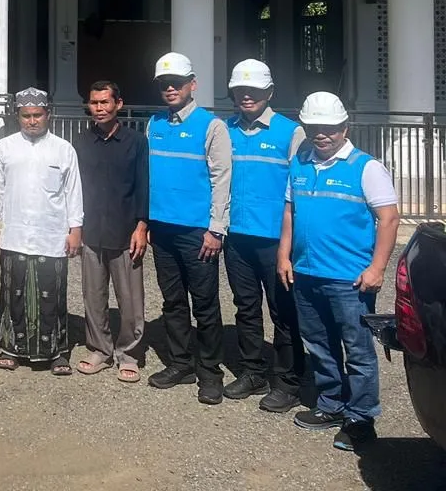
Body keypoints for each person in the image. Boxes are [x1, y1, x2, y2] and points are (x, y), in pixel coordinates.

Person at [279, 92, 400, 453]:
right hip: (307, 273)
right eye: (314, 128)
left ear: (344, 128)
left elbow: (389, 218)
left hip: (350, 279)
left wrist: (377, 268)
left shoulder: (366, 167)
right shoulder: (300, 162)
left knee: (358, 350)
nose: (322, 135)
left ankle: (361, 418)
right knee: (319, 344)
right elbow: (289, 212)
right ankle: (332, 404)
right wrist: (284, 256)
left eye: (329, 128)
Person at [146, 52, 232, 405]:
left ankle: (210, 371)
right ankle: (181, 363)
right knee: (173, 301)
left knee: (206, 304)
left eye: (177, 83)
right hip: (162, 229)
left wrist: (216, 229)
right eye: (164, 84)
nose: (170, 89)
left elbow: (222, 178)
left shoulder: (211, 126)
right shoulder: (153, 124)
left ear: (192, 84)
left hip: (198, 233)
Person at [224, 59, 309, 412]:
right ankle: (253, 371)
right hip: (236, 237)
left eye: (255, 91)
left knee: (283, 312)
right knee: (245, 308)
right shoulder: (223, 130)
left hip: (275, 240)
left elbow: (300, 192)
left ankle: (288, 381)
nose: (247, 96)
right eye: (241, 90)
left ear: (269, 93)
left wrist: (291, 246)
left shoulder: (291, 133)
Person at [0, 88, 83, 375]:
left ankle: (57, 351)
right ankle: (10, 348)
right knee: (13, 292)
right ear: (18, 116)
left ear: (48, 115)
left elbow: (73, 192)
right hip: (14, 234)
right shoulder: (4, 147)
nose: (32, 121)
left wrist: (75, 229)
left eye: (37, 115)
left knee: (51, 293)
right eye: (26, 116)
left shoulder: (64, 149)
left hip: (51, 235)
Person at [73, 80, 149, 382]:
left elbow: (144, 185)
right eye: (95, 103)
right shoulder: (80, 143)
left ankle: (128, 352)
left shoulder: (136, 141)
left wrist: (142, 225)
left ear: (118, 104)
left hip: (126, 230)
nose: (100, 108)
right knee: (93, 296)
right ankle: (100, 349)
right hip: (91, 230)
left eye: (105, 102)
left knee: (130, 300)